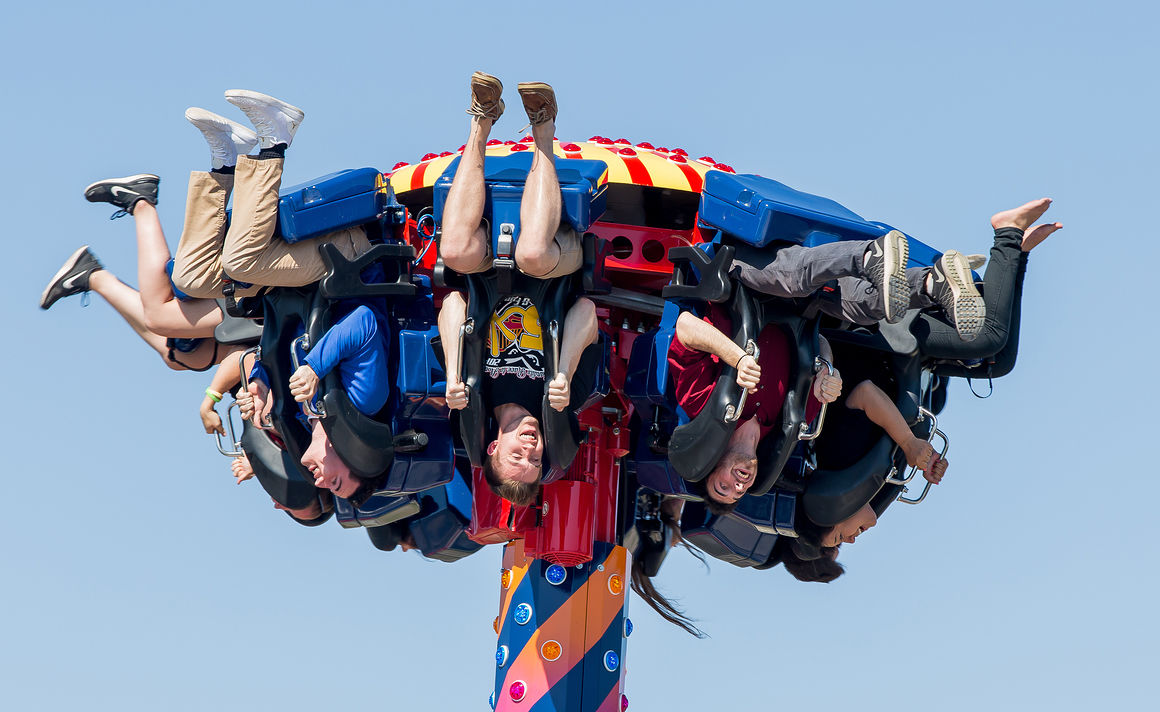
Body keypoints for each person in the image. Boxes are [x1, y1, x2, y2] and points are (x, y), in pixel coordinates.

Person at [436, 73, 600, 506]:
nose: (530, 447)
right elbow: (585, 313)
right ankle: (543, 129)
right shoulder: (564, 398)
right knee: (531, 252)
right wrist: (563, 370)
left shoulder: (471, 394)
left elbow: (453, 303)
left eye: (517, 455)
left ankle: (482, 119)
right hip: (555, 265)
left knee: (453, 249)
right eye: (535, 457)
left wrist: (453, 372)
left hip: (491, 273)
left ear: (493, 446)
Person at [170, 90, 371, 298]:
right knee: (191, 277)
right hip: (338, 250)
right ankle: (234, 156)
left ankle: (269, 145)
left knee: (222, 267)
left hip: (346, 249)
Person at [237, 302, 390, 502]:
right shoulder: (364, 401)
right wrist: (314, 368)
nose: (319, 483)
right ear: (354, 455)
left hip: (280, 296)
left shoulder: (305, 416)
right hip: (333, 277)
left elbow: (280, 345)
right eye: (334, 481)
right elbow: (363, 320)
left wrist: (260, 382)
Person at [731, 231, 988, 341]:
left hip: (725, 252)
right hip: (804, 300)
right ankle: (933, 283)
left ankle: (868, 256)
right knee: (860, 306)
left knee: (791, 275)